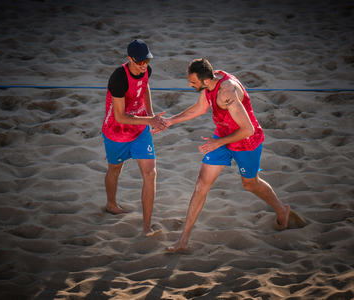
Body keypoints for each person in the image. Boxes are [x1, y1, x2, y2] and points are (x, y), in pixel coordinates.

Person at [157, 58, 300, 252]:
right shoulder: (210, 81)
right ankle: (183, 240)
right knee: (201, 185)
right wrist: (170, 122)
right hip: (223, 136)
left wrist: (217, 142)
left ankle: (282, 210)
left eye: (193, 82)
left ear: (206, 80)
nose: (190, 85)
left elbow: (248, 129)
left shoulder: (226, 92)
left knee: (250, 183)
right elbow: (200, 108)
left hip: (245, 140)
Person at [101, 39, 166, 236]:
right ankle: (111, 205)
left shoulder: (147, 69)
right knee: (115, 169)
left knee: (150, 173)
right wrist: (149, 120)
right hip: (116, 130)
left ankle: (146, 226)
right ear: (129, 59)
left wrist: (151, 114)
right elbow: (120, 116)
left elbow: (145, 87)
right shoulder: (118, 78)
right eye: (140, 62)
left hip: (140, 130)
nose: (144, 65)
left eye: (146, 61)